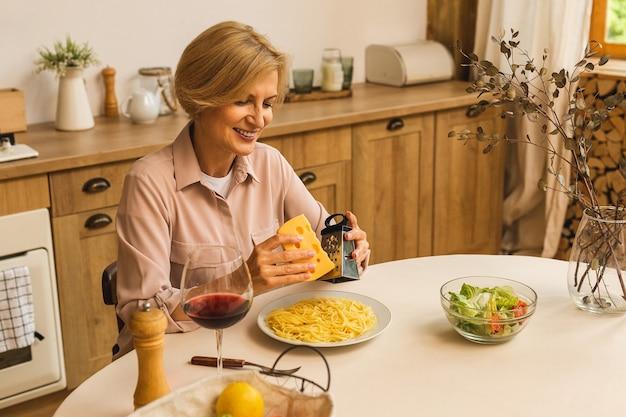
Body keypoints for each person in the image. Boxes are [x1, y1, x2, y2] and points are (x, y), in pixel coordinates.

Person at [114, 21, 370, 356]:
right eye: (243, 101)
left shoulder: (271, 164)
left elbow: (326, 245)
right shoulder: (149, 183)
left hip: (256, 348)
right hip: (178, 359)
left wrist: (349, 252)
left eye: (267, 103)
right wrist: (242, 281)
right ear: (201, 98)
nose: (260, 118)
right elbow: (143, 315)